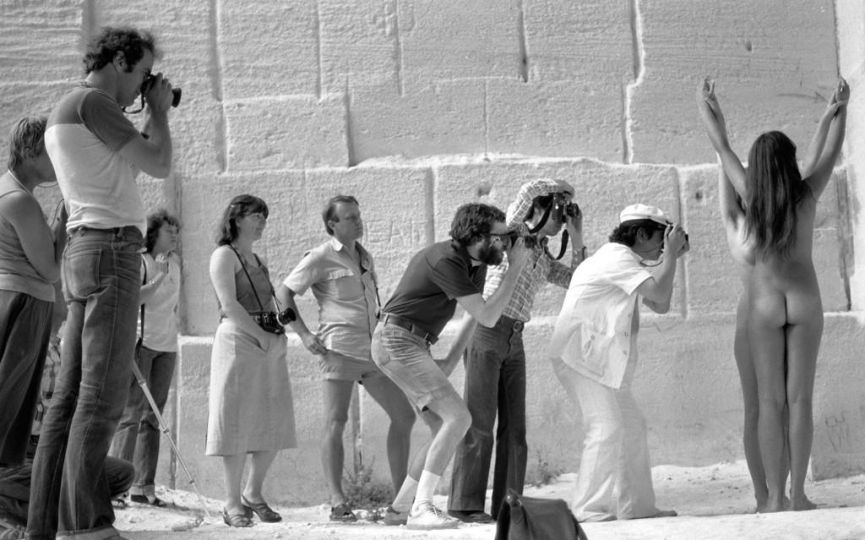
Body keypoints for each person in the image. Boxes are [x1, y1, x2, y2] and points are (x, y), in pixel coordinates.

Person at [27, 25, 175, 540]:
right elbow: (159, 163)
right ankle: (86, 524)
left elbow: (111, 182)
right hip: (111, 251)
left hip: (87, 249)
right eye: (143, 72)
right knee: (102, 394)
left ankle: (46, 524)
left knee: (69, 399)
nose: (144, 83)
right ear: (118, 61)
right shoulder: (95, 103)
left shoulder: (69, 109)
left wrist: (149, 114)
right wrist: (159, 113)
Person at [697, 77, 849, 512]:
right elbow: (829, 153)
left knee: (768, 402)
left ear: (758, 167)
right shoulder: (806, 195)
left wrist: (709, 105)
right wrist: (838, 111)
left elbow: (721, 147)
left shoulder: (751, 196)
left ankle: (772, 499)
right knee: (800, 401)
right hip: (804, 301)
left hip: (764, 304)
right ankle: (798, 494)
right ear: (788, 163)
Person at [372, 202, 531, 530]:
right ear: (476, 236)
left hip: (413, 343)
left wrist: (448, 360)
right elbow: (489, 315)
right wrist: (515, 268)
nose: (504, 244)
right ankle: (422, 508)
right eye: (499, 237)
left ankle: (400, 508)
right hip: (396, 340)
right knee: (460, 418)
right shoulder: (446, 259)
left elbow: (475, 316)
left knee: (441, 428)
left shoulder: (475, 263)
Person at [448, 178, 586, 523]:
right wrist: (559, 188)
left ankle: (509, 506)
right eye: (558, 210)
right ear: (539, 208)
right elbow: (527, 191)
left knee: (515, 430)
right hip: (487, 331)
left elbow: (578, 280)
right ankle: (465, 505)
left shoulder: (542, 253)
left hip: (515, 338)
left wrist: (577, 235)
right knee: (479, 422)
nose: (561, 218)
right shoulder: (511, 233)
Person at [275, 195, 415, 522]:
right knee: (336, 422)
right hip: (338, 349)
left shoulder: (364, 256)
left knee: (404, 416)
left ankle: (400, 499)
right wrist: (303, 334)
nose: (357, 221)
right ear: (332, 224)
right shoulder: (320, 256)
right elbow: (283, 293)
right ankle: (338, 502)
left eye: (357, 215)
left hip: (373, 350)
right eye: (349, 217)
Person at [549, 204, 687, 522]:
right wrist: (669, 256)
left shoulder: (626, 262)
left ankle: (636, 506)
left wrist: (671, 258)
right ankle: (586, 509)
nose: (662, 246)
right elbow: (659, 293)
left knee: (632, 426)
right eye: (660, 238)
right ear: (641, 234)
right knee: (606, 425)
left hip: (596, 361)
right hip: (578, 357)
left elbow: (661, 304)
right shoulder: (616, 258)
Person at [207, 195, 296, 528]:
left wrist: (278, 334)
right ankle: (232, 502)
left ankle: (253, 492)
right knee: (235, 420)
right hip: (238, 338)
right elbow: (228, 305)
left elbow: (271, 302)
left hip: (267, 338)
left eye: (264, 216)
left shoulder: (258, 259)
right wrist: (261, 336)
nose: (262, 222)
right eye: (256, 215)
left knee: (274, 417)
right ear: (236, 218)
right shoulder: (223, 255)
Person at [0, 117, 66, 469]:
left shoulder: (9, 192)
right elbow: (50, 269)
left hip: (16, 298)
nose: (57, 159)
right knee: (10, 405)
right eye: (49, 151)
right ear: (29, 151)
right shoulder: (18, 200)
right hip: (23, 302)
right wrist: (64, 222)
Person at [109, 210, 182, 507]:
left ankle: (142, 486)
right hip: (142, 343)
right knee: (131, 415)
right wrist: (159, 277)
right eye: (169, 231)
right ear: (154, 234)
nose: (174, 236)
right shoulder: (141, 262)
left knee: (154, 418)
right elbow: (135, 299)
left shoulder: (175, 263)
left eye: (176, 231)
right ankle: (114, 487)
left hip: (167, 345)